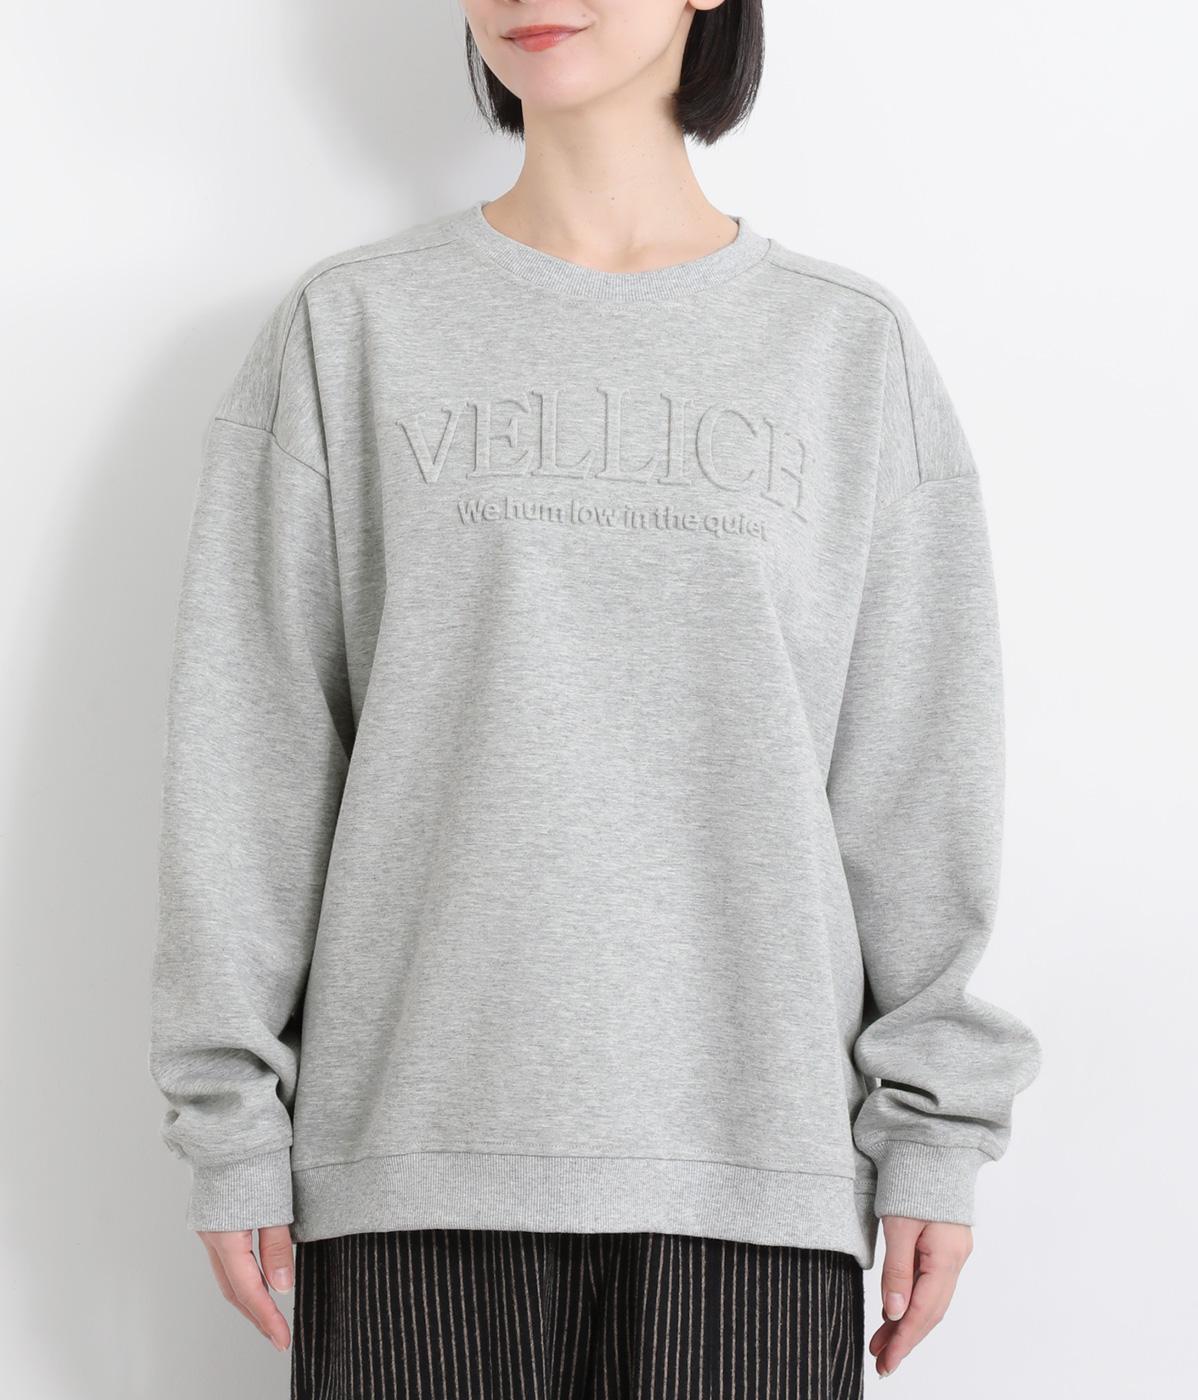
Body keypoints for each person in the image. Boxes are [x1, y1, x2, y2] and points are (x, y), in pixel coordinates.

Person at [146, 2, 1042, 1395]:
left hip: (755, 1180)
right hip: (411, 1171)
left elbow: (918, 774)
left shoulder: (845, 349)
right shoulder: (352, 328)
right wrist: (231, 1123)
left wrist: (936, 1131)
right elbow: (251, 755)